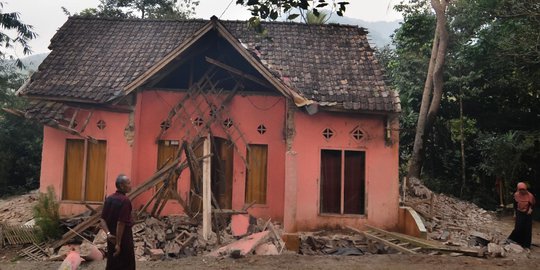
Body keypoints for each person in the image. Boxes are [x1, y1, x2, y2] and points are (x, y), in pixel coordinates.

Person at [99, 174, 135, 270]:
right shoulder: (125, 201)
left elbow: (102, 220)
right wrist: (118, 244)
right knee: (126, 264)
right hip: (123, 238)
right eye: (128, 183)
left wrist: (108, 234)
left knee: (112, 263)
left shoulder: (109, 199)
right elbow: (121, 223)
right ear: (122, 186)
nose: (130, 185)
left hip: (111, 238)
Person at [508, 182, 536, 249]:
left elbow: (533, 204)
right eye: (520, 190)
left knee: (527, 229)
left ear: (526, 189)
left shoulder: (530, 196)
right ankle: (514, 240)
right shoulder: (516, 195)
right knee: (518, 227)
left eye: (523, 189)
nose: (522, 191)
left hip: (527, 213)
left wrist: (530, 209)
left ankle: (526, 245)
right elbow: (515, 205)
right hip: (519, 212)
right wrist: (514, 213)